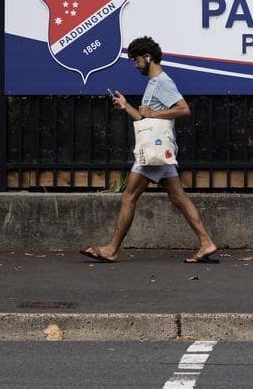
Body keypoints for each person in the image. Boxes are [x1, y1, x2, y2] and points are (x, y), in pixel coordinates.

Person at [80, 37, 218, 265]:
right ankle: (206, 243)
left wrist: (154, 114)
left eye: (136, 60)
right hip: (159, 150)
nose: (135, 65)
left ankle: (112, 249)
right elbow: (145, 120)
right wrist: (126, 107)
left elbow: (183, 110)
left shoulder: (162, 82)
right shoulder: (154, 84)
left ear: (148, 57)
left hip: (152, 153)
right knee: (178, 197)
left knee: (129, 196)